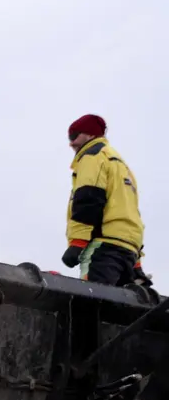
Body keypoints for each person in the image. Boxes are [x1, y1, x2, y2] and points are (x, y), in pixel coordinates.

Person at [63, 114, 145, 287]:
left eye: (74, 135)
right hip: (127, 251)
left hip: (103, 247)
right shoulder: (122, 166)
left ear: (90, 135)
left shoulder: (92, 156)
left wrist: (77, 242)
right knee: (116, 310)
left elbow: (88, 199)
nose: (71, 142)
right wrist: (136, 262)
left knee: (91, 305)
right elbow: (131, 214)